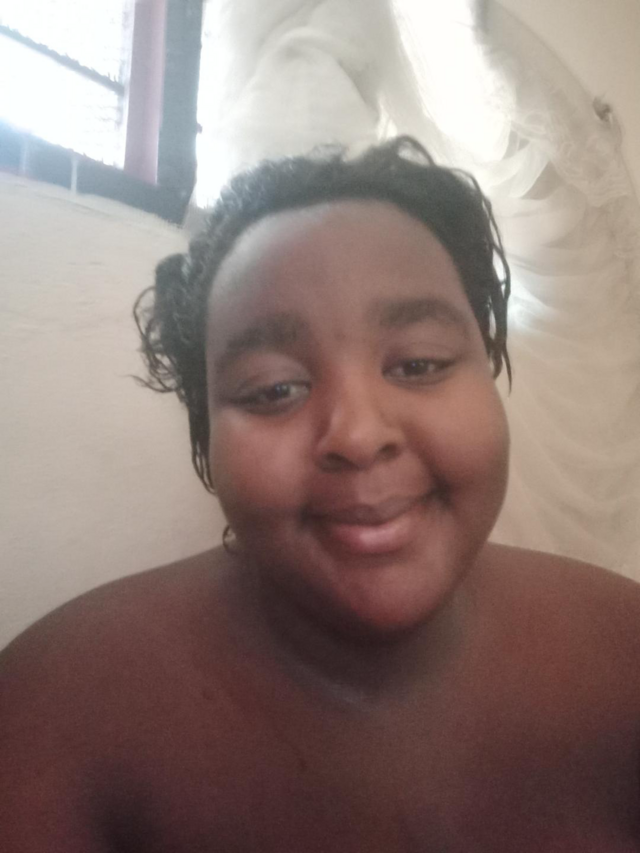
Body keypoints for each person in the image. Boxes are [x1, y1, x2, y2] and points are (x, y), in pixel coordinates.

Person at [2, 136, 640, 852]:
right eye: (274, 389)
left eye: (420, 363)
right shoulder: (57, 711)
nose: (359, 435)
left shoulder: (625, 654)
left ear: (487, 369)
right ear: (206, 436)